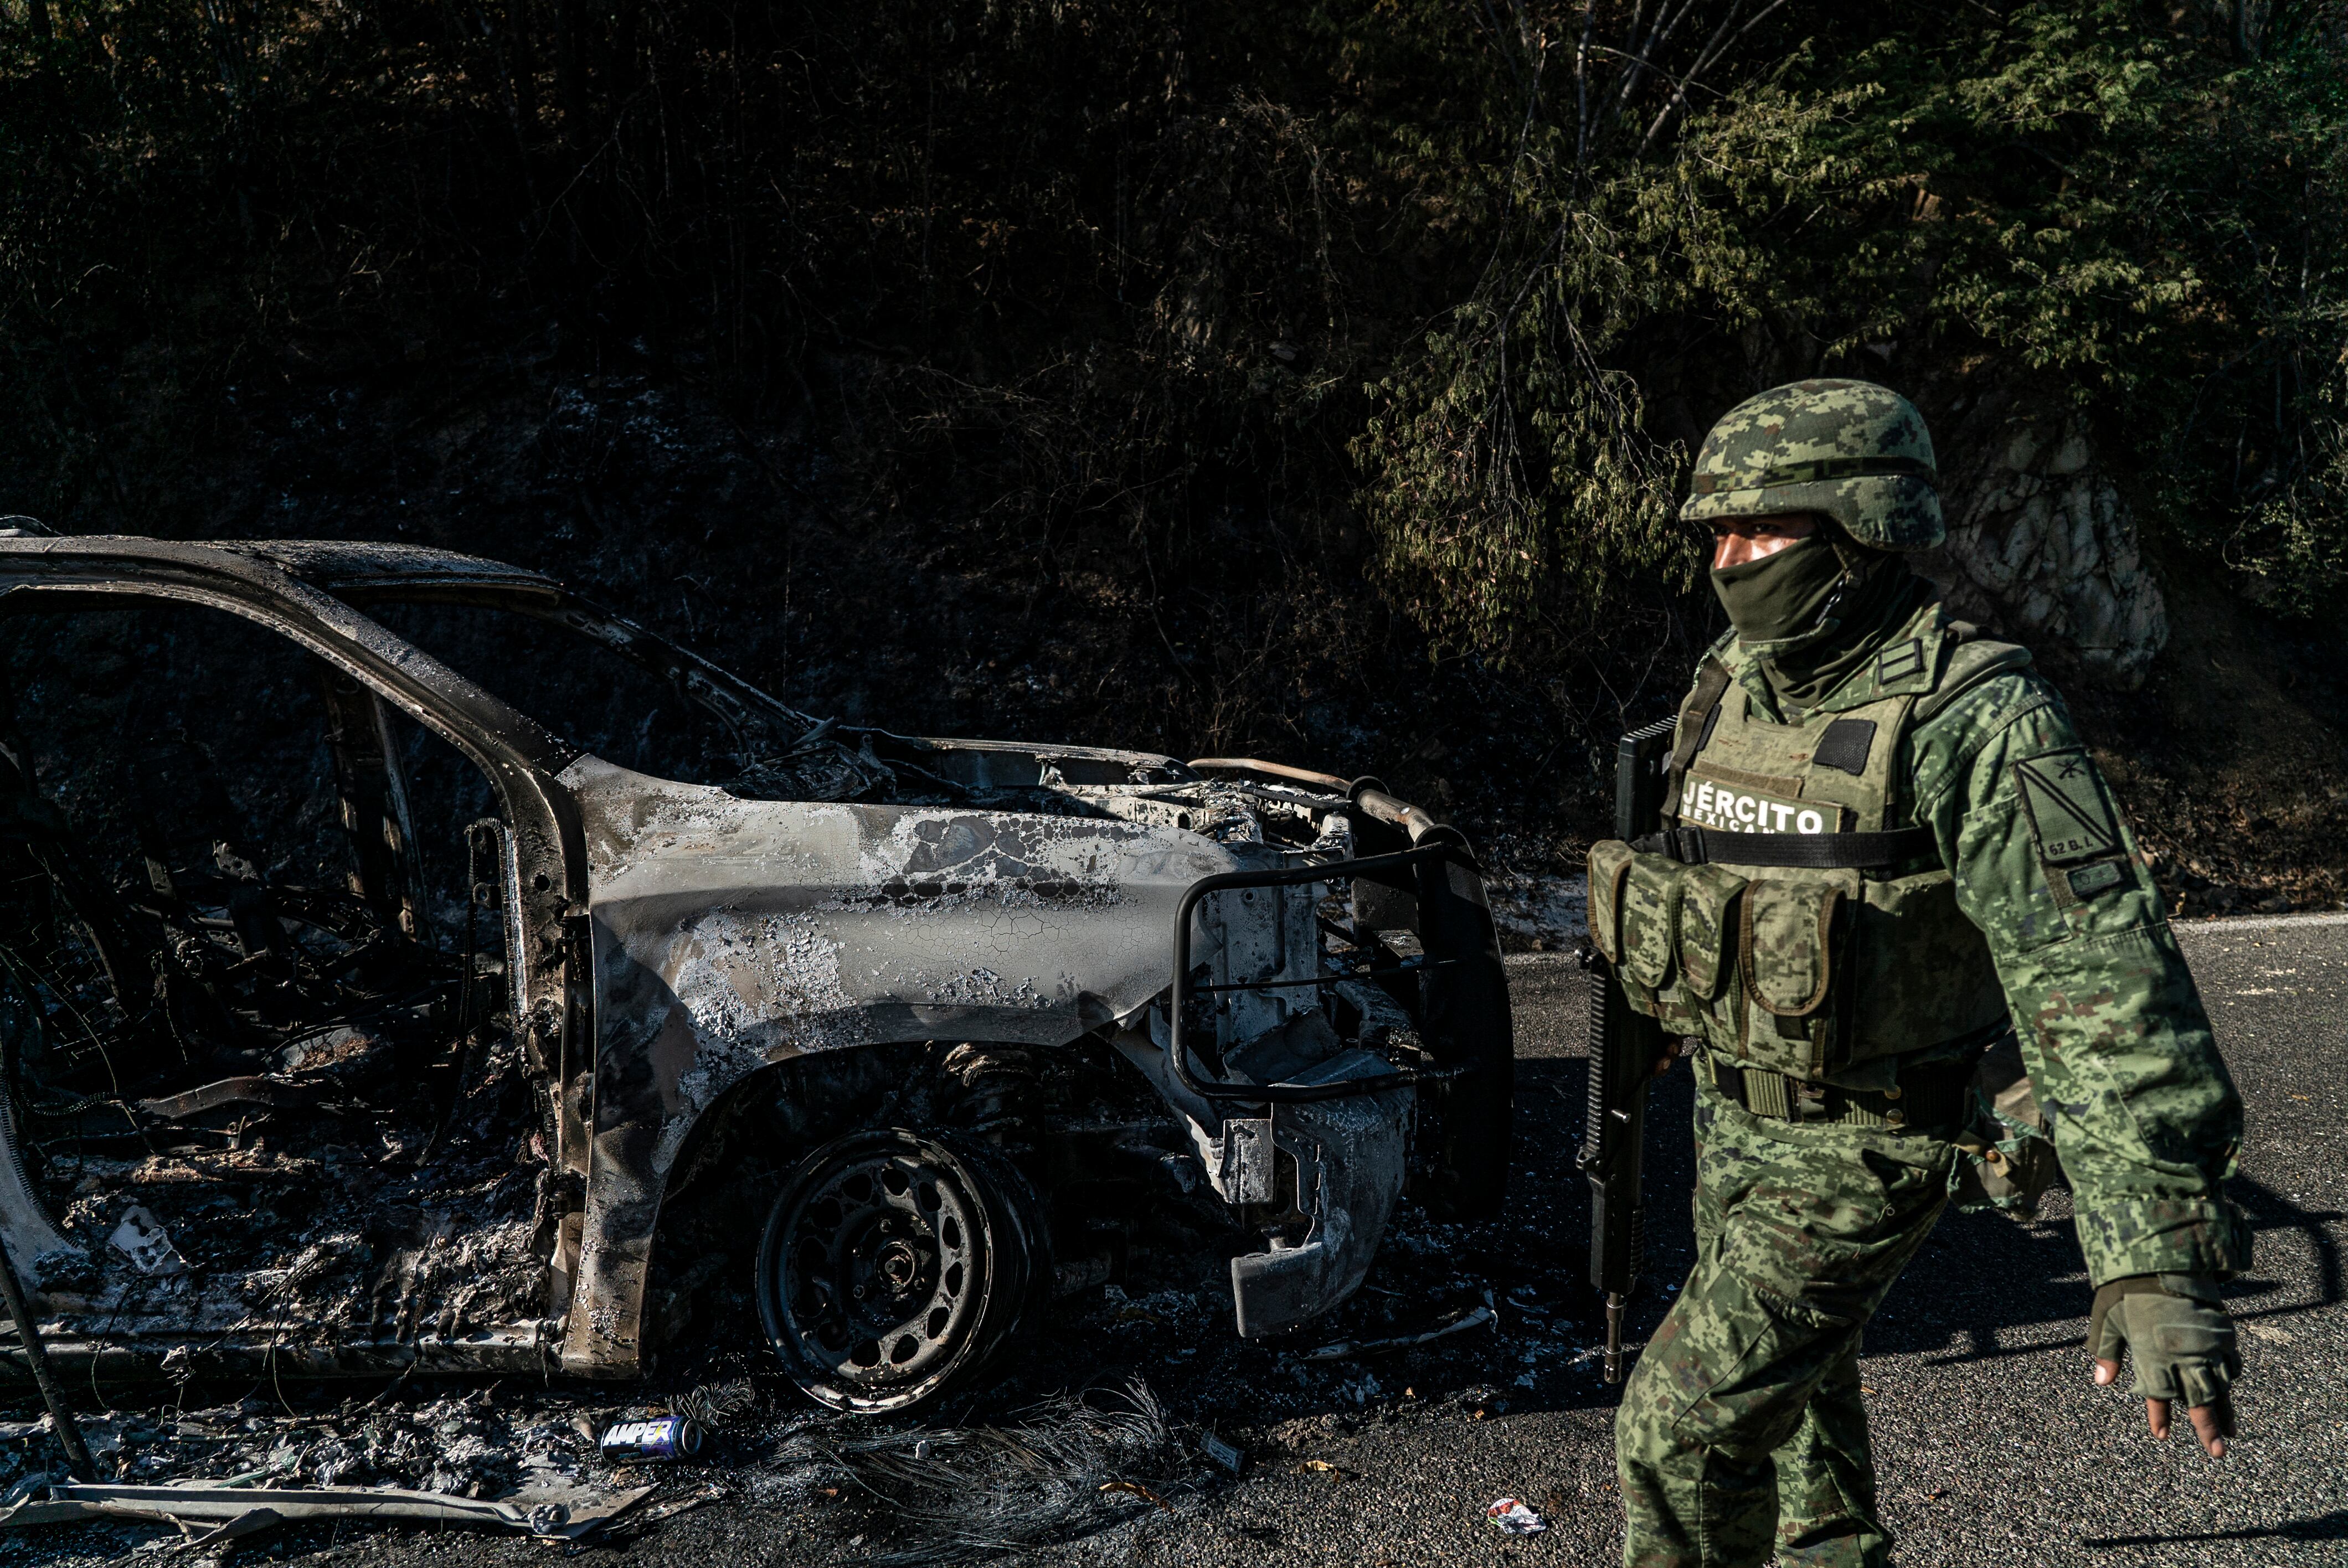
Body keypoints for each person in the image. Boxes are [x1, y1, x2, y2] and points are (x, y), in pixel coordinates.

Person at [1593, 379, 2247, 1567]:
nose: (1727, 559)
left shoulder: (1976, 716)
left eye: (1759, 530)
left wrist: (2149, 1255)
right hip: (1731, 1121)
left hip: (1870, 1141)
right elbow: (1697, 881)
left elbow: (2095, 975)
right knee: (1794, 1431)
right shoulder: (1731, 681)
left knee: (1676, 1436)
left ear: (1859, 531)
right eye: (1714, 534)